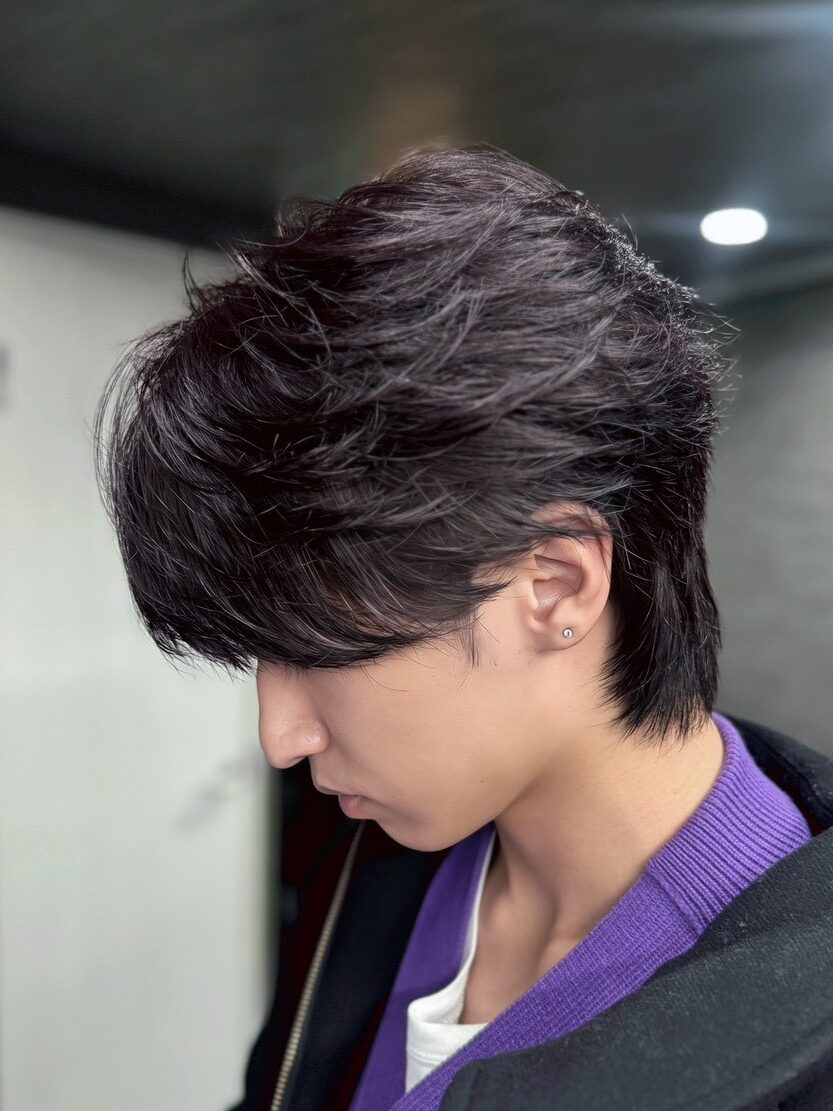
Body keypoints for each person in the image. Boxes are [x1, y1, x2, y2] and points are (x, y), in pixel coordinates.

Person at [92, 143, 833, 1111]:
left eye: (319, 651)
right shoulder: (376, 859)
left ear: (553, 585)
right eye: (262, 657)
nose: (281, 737)